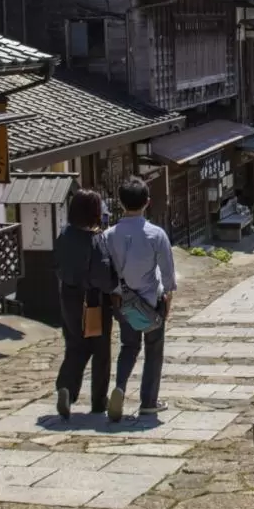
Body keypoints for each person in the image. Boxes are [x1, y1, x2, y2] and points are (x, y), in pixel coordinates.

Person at [102, 177, 176, 421]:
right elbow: (167, 272)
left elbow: (106, 270)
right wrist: (168, 297)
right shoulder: (156, 234)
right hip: (151, 301)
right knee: (153, 350)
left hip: (122, 302)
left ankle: (120, 387)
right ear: (147, 202)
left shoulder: (108, 235)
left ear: (121, 203)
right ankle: (148, 402)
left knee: (128, 347)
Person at [53, 189, 116, 419]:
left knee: (75, 346)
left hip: (68, 298)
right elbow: (103, 277)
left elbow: (57, 265)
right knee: (101, 351)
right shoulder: (95, 240)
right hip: (94, 302)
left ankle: (66, 390)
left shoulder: (64, 235)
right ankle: (99, 401)